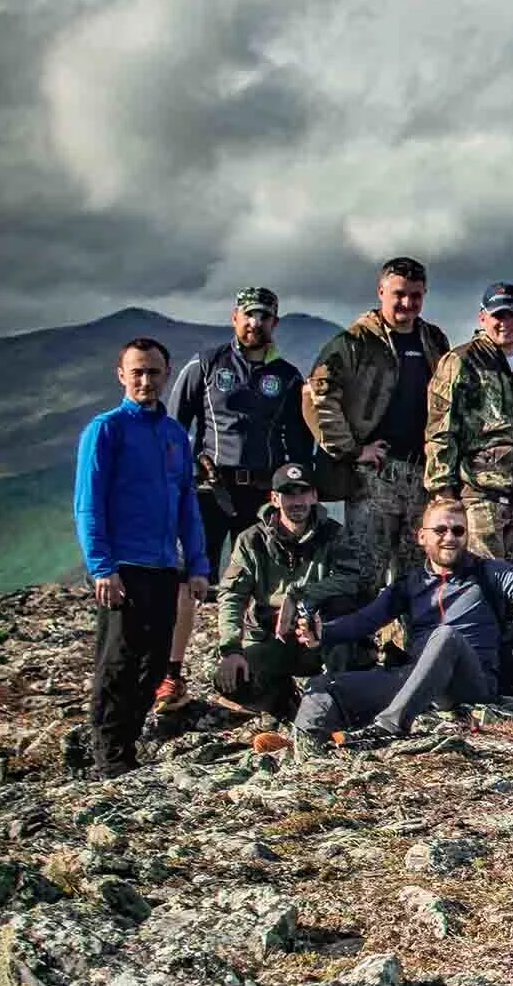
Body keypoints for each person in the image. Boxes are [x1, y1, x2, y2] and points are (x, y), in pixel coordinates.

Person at [291, 497, 513, 747]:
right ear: (421, 536)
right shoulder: (409, 584)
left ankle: (390, 727)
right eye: (440, 530)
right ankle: (307, 750)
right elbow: (365, 621)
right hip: (416, 681)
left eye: (458, 530)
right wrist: (324, 634)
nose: (450, 537)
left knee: (446, 636)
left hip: (472, 684)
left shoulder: (487, 572)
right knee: (324, 688)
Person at [161, 286, 312, 710]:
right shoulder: (207, 364)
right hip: (209, 491)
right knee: (189, 580)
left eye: (264, 317)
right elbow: (175, 429)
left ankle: (253, 670)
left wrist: (294, 492)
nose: (255, 323)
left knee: (257, 584)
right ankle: (171, 675)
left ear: (274, 323)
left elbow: (297, 443)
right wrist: (187, 473)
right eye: (248, 315)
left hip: (261, 495)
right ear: (234, 317)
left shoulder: (286, 376)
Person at [72, 338, 209, 777]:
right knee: (117, 663)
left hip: (164, 567)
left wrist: (199, 565)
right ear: (121, 375)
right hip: (123, 568)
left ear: (166, 375)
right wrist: (101, 567)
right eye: (138, 372)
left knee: (153, 664)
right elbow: (88, 503)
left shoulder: (174, 436)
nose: (146, 380)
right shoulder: (105, 430)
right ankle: (106, 756)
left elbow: (188, 503)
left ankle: (127, 748)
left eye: (154, 372)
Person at [303, 256, 451, 593]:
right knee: (366, 571)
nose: (407, 303)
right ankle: (359, 645)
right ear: (381, 291)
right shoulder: (355, 343)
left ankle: (403, 646)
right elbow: (317, 397)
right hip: (375, 474)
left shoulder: (434, 341)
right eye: (399, 294)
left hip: (421, 475)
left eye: (416, 295)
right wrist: (352, 449)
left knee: (417, 574)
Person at [211, 464, 368, 721]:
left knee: (343, 607)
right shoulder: (251, 540)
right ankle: (280, 701)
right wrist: (230, 649)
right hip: (270, 637)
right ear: (274, 498)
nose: (297, 501)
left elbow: (351, 580)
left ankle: (337, 696)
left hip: (317, 637)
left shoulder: (333, 534)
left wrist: (300, 595)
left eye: (303, 492)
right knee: (229, 679)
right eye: (288, 494)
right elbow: (231, 596)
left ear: (314, 496)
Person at [424, 282, 513, 565]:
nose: (505, 323)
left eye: (512, 315)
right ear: (483, 317)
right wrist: (443, 492)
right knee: (478, 585)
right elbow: (441, 429)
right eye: (498, 315)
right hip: (478, 498)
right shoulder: (462, 360)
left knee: (508, 590)